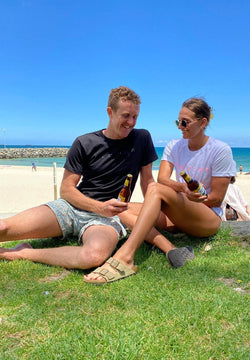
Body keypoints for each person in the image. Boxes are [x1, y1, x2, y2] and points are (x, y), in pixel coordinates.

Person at [0, 86, 160, 270]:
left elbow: (147, 181)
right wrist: (100, 207)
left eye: (135, 117)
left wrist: (153, 212)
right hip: (72, 207)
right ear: (110, 112)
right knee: (3, 227)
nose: (131, 122)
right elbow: (66, 190)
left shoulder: (142, 138)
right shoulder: (84, 142)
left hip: (106, 219)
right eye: (126, 116)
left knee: (92, 256)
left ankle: (22, 252)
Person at [84, 97, 236, 284]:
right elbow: (163, 178)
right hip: (180, 213)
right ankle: (170, 248)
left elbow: (216, 199)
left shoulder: (220, 150)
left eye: (184, 122)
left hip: (207, 218)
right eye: (177, 122)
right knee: (119, 208)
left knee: (155, 189)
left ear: (203, 122)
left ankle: (125, 257)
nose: (179, 126)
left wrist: (193, 197)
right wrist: (182, 189)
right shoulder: (175, 145)